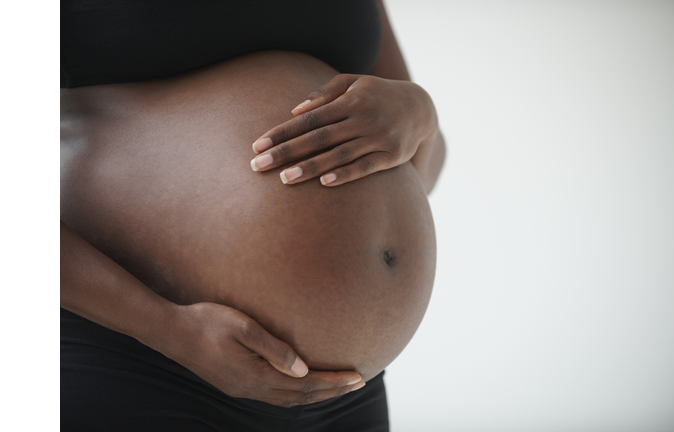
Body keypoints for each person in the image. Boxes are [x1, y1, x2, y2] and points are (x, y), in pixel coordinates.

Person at [60, 1, 445, 430]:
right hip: (141, 357)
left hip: (347, 394)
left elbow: (422, 167)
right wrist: (170, 330)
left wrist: (421, 116)